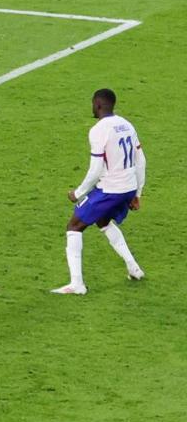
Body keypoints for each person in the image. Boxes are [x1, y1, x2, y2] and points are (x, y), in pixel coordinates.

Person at [52, 88, 147, 295]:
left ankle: (77, 284)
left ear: (97, 104)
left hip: (110, 189)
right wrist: (138, 193)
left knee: (74, 226)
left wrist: (78, 193)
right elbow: (141, 160)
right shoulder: (127, 125)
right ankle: (134, 268)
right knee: (103, 220)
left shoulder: (98, 130)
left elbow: (95, 170)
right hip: (128, 187)